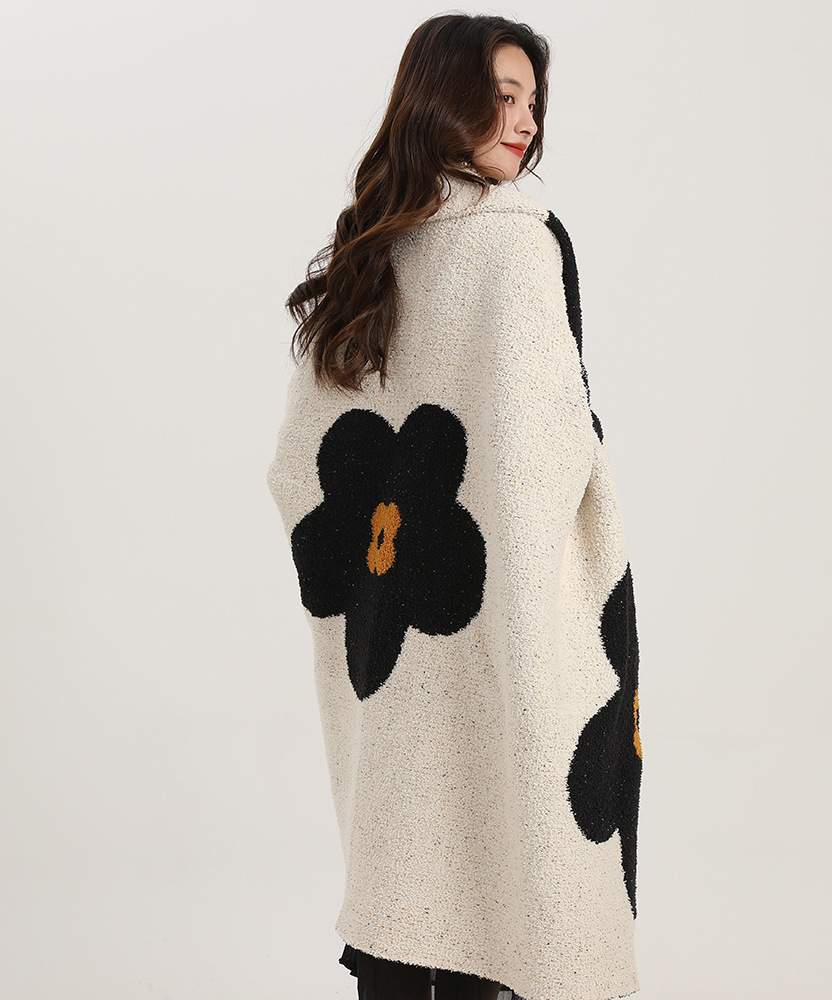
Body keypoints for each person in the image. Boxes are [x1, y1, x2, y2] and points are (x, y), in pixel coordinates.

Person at [266, 13, 642, 1000]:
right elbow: (545, 448)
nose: (525, 122)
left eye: (532, 101)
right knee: (510, 885)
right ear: (443, 99)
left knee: (409, 888)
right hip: (497, 619)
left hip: (395, 636)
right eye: (503, 97)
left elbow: (303, 465)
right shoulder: (517, 246)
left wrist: (374, 574)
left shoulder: (367, 253)